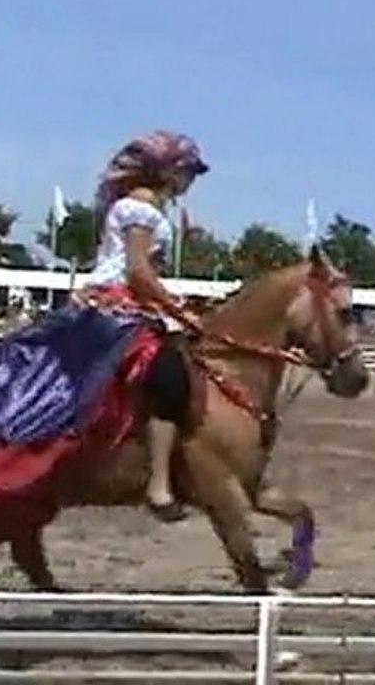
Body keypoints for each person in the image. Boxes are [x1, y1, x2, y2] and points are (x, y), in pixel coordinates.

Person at [82, 130, 210, 522]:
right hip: (118, 301)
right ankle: (158, 485)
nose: (191, 181)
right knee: (169, 374)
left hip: (116, 297)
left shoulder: (138, 205)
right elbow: (138, 273)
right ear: (169, 171)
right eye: (188, 172)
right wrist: (177, 308)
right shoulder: (144, 208)